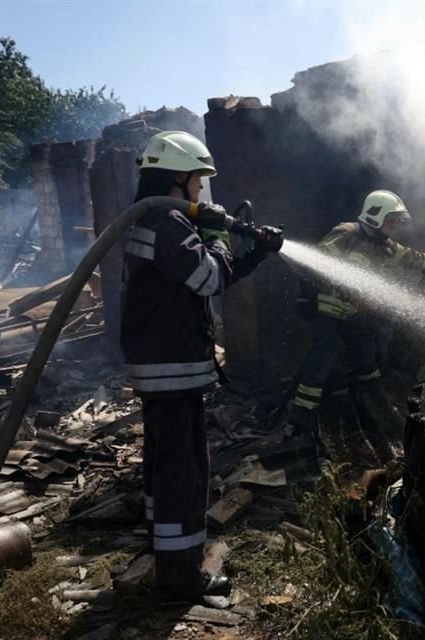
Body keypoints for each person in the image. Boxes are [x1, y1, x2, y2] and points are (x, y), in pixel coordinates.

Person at [120, 130, 278, 604]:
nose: (202, 192)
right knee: (182, 472)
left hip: (164, 367)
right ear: (179, 177)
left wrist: (254, 253)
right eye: (198, 182)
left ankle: (164, 554)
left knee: (166, 465)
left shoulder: (157, 218)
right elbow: (208, 277)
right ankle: (179, 579)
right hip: (171, 368)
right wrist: (215, 234)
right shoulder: (167, 222)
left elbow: (212, 276)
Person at [289, 189, 425, 435]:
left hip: (354, 315)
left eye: (397, 222)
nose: (395, 227)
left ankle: (368, 406)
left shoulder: (388, 247)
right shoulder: (347, 234)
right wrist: (342, 287)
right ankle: (301, 416)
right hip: (326, 310)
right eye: (391, 221)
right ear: (374, 216)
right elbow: (317, 264)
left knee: (368, 362)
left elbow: (414, 258)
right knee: (325, 352)